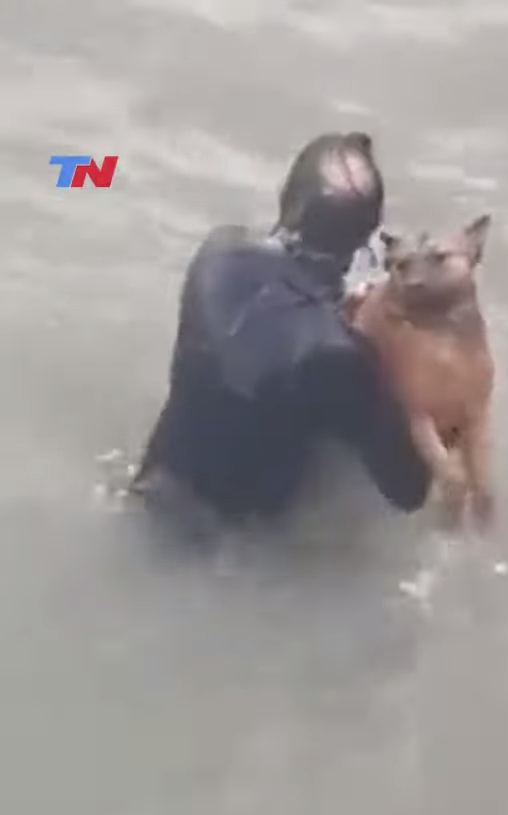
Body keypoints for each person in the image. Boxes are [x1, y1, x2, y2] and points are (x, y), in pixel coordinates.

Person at [131, 131, 430, 532]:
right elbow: (409, 491)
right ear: (365, 238)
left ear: (285, 196)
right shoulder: (341, 354)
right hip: (240, 545)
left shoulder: (219, 251)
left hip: (151, 492)